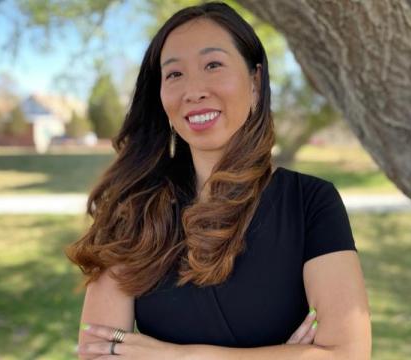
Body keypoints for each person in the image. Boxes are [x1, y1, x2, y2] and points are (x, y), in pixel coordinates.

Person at [66, 2, 371, 359]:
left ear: (255, 82)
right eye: (174, 74)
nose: (193, 90)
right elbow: (98, 354)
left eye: (213, 65)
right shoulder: (132, 208)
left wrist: (181, 357)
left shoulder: (311, 203)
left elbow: (347, 354)